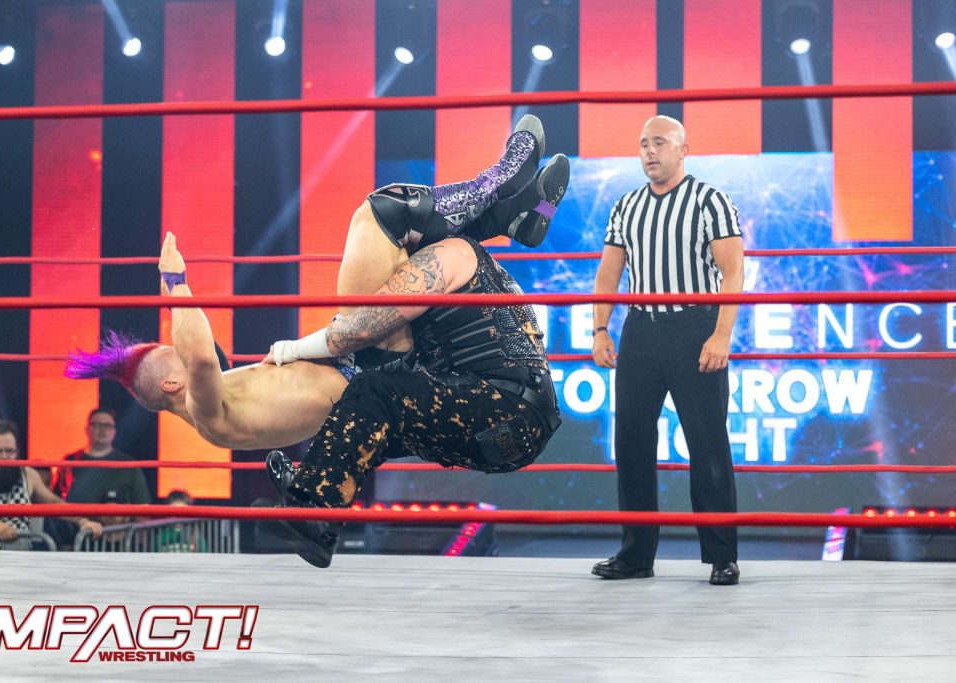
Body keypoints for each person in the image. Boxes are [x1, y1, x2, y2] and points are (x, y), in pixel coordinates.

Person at [64, 116, 569, 454]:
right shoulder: (207, 412)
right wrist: (174, 282)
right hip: (372, 365)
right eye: (171, 354)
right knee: (380, 213)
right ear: (172, 385)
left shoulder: (230, 396)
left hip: (362, 355)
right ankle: (499, 188)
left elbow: (198, 352)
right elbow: (197, 355)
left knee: (402, 245)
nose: (186, 347)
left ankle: (511, 218)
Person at [259, 230, 565, 568]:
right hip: (514, 426)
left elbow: (360, 330)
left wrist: (289, 350)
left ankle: (314, 509)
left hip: (504, 408)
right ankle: (315, 505)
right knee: (365, 424)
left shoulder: (447, 253)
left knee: (375, 389)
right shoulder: (478, 264)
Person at [590, 115, 744, 586]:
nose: (649, 151)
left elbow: (733, 270)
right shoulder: (626, 206)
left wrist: (721, 335)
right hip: (640, 329)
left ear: (682, 149)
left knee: (707, 441)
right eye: (643, 144)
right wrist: (600, 329)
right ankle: (636, 555)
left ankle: (722, 556)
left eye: (659, 142)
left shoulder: (709, 200)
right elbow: (608, 273)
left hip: (694, 326)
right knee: (631, 442)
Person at [0, 420, 102, 549]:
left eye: (9, 451)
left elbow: (54, 503)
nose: (4, 457)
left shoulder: (28, 474)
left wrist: (83, 521)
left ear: (17, 451)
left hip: (20, 558)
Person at [52, 407, 150, 505]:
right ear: (87, 429)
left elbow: (142, 505)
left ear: (114, 431)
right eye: (96, 425)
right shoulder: (69, 462)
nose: (102, 430)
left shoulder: (129, 465)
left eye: (107, 426)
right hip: (75, 515)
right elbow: (56, 500)